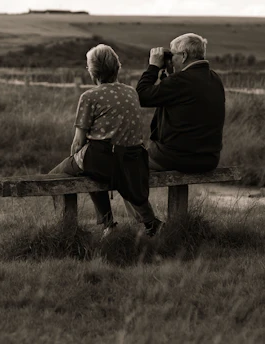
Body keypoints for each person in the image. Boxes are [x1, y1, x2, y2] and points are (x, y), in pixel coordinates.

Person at [49, 44, 164, 237]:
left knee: (56, 176)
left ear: (92, 72)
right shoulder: (131, 92)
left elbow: (78, 141)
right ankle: (139, 224)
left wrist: (74, 160)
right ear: (117, 67)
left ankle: (77, 230)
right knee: (93, 169)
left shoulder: (89, 96)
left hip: (102, 160)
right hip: (132, 161)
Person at [136, 33, 225, 173]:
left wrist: (153, 67)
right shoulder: (214, 78)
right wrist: (170, 74)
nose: (171, 60)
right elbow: (179, 97)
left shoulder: (180, 81)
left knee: (128, 162)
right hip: (209, 159)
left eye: (172, 55)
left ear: (183, 56)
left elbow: (141, 96)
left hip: (176, 158)